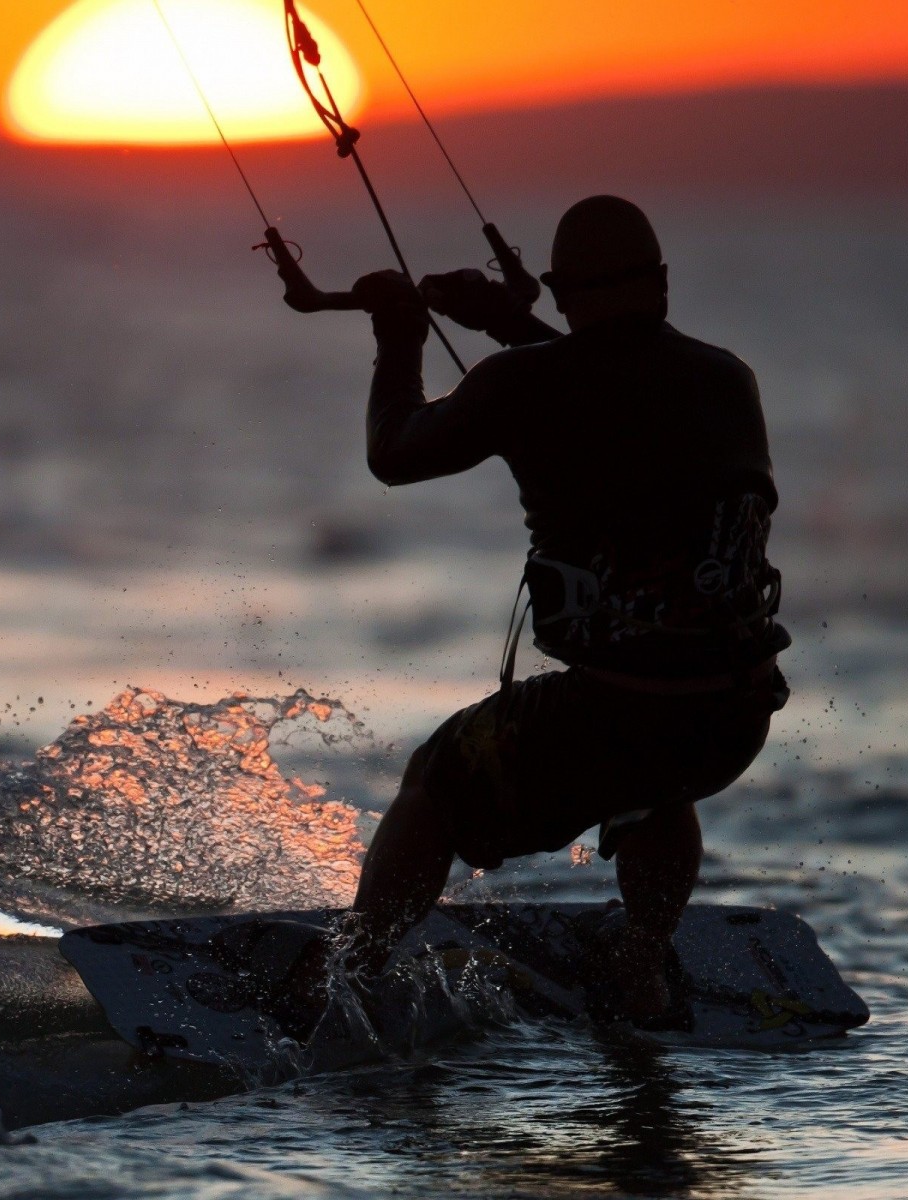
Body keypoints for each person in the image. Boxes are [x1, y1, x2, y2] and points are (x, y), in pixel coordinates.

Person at [290, 196, 790, 1029]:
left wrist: (399, 337)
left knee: (437, 776)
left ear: (558, 289)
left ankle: (349, 970)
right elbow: (617, 389)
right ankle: (640, 956)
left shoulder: (525, 384)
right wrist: (508, 326)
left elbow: (395, 453)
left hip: (612, 716)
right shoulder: (727, 378)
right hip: (730, 716)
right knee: (661, 778)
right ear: (662, 282)